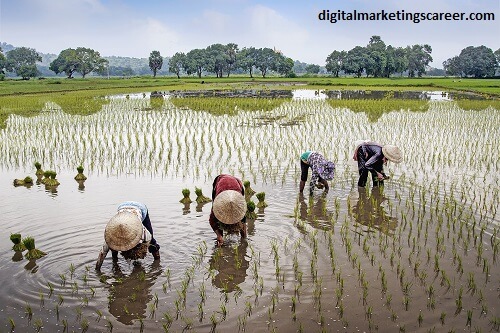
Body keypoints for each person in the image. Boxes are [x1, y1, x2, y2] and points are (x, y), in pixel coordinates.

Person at [96, 201, 160, 270]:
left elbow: (148, 240)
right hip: (122, 207)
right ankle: (115, 261)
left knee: (152, 242)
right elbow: (102, 254)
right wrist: (97, 269)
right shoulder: (110, 238)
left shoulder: (143, 232)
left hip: (140, 208)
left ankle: (157, 261)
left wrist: (142, 248)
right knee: (113, 247)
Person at [209, 174, 247, 246]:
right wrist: (219, 235)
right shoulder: (217, 206)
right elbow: (212, 221)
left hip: (237, 182)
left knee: (241, 219)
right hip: (220, 181)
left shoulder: (240, 207)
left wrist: (244, 240)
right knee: (217, 218)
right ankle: (221, 238)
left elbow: (243, 222)